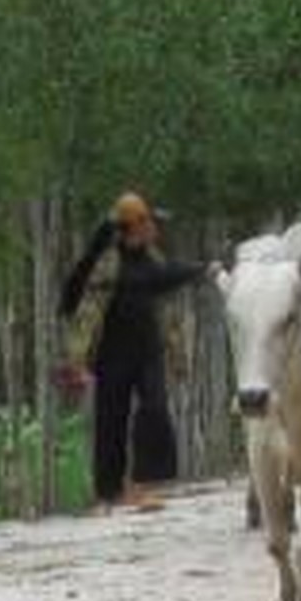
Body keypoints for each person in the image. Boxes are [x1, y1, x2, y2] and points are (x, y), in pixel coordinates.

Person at [56, 189, 214, 514]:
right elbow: (78, 303)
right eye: (149, 224)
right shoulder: (105, 262)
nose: (155, 229)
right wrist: (77, 360)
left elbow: (168, 275)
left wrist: (202, 270)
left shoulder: (153, 260)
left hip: (148, 351)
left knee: (155, 407)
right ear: (134, 227)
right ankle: (108, 493)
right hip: (112, 354)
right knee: (110, 423)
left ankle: (143, 484)